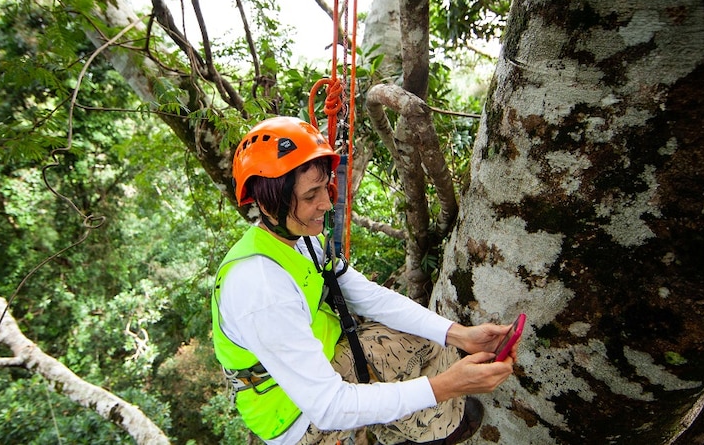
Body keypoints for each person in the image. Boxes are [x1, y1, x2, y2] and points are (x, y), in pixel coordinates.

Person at [211, 116, 518, 445]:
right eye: (311, 194)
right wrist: (446, 386)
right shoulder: (260, 287)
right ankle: (429, 422)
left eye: (325, 188)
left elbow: (370, 297)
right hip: (295, 416)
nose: (326, 204)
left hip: (319, 365)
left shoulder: (302, 242)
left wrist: (460, 335)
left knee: (424, 337)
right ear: (270, 200)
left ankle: (409, 425)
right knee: (418, 360)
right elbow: (329, 406)